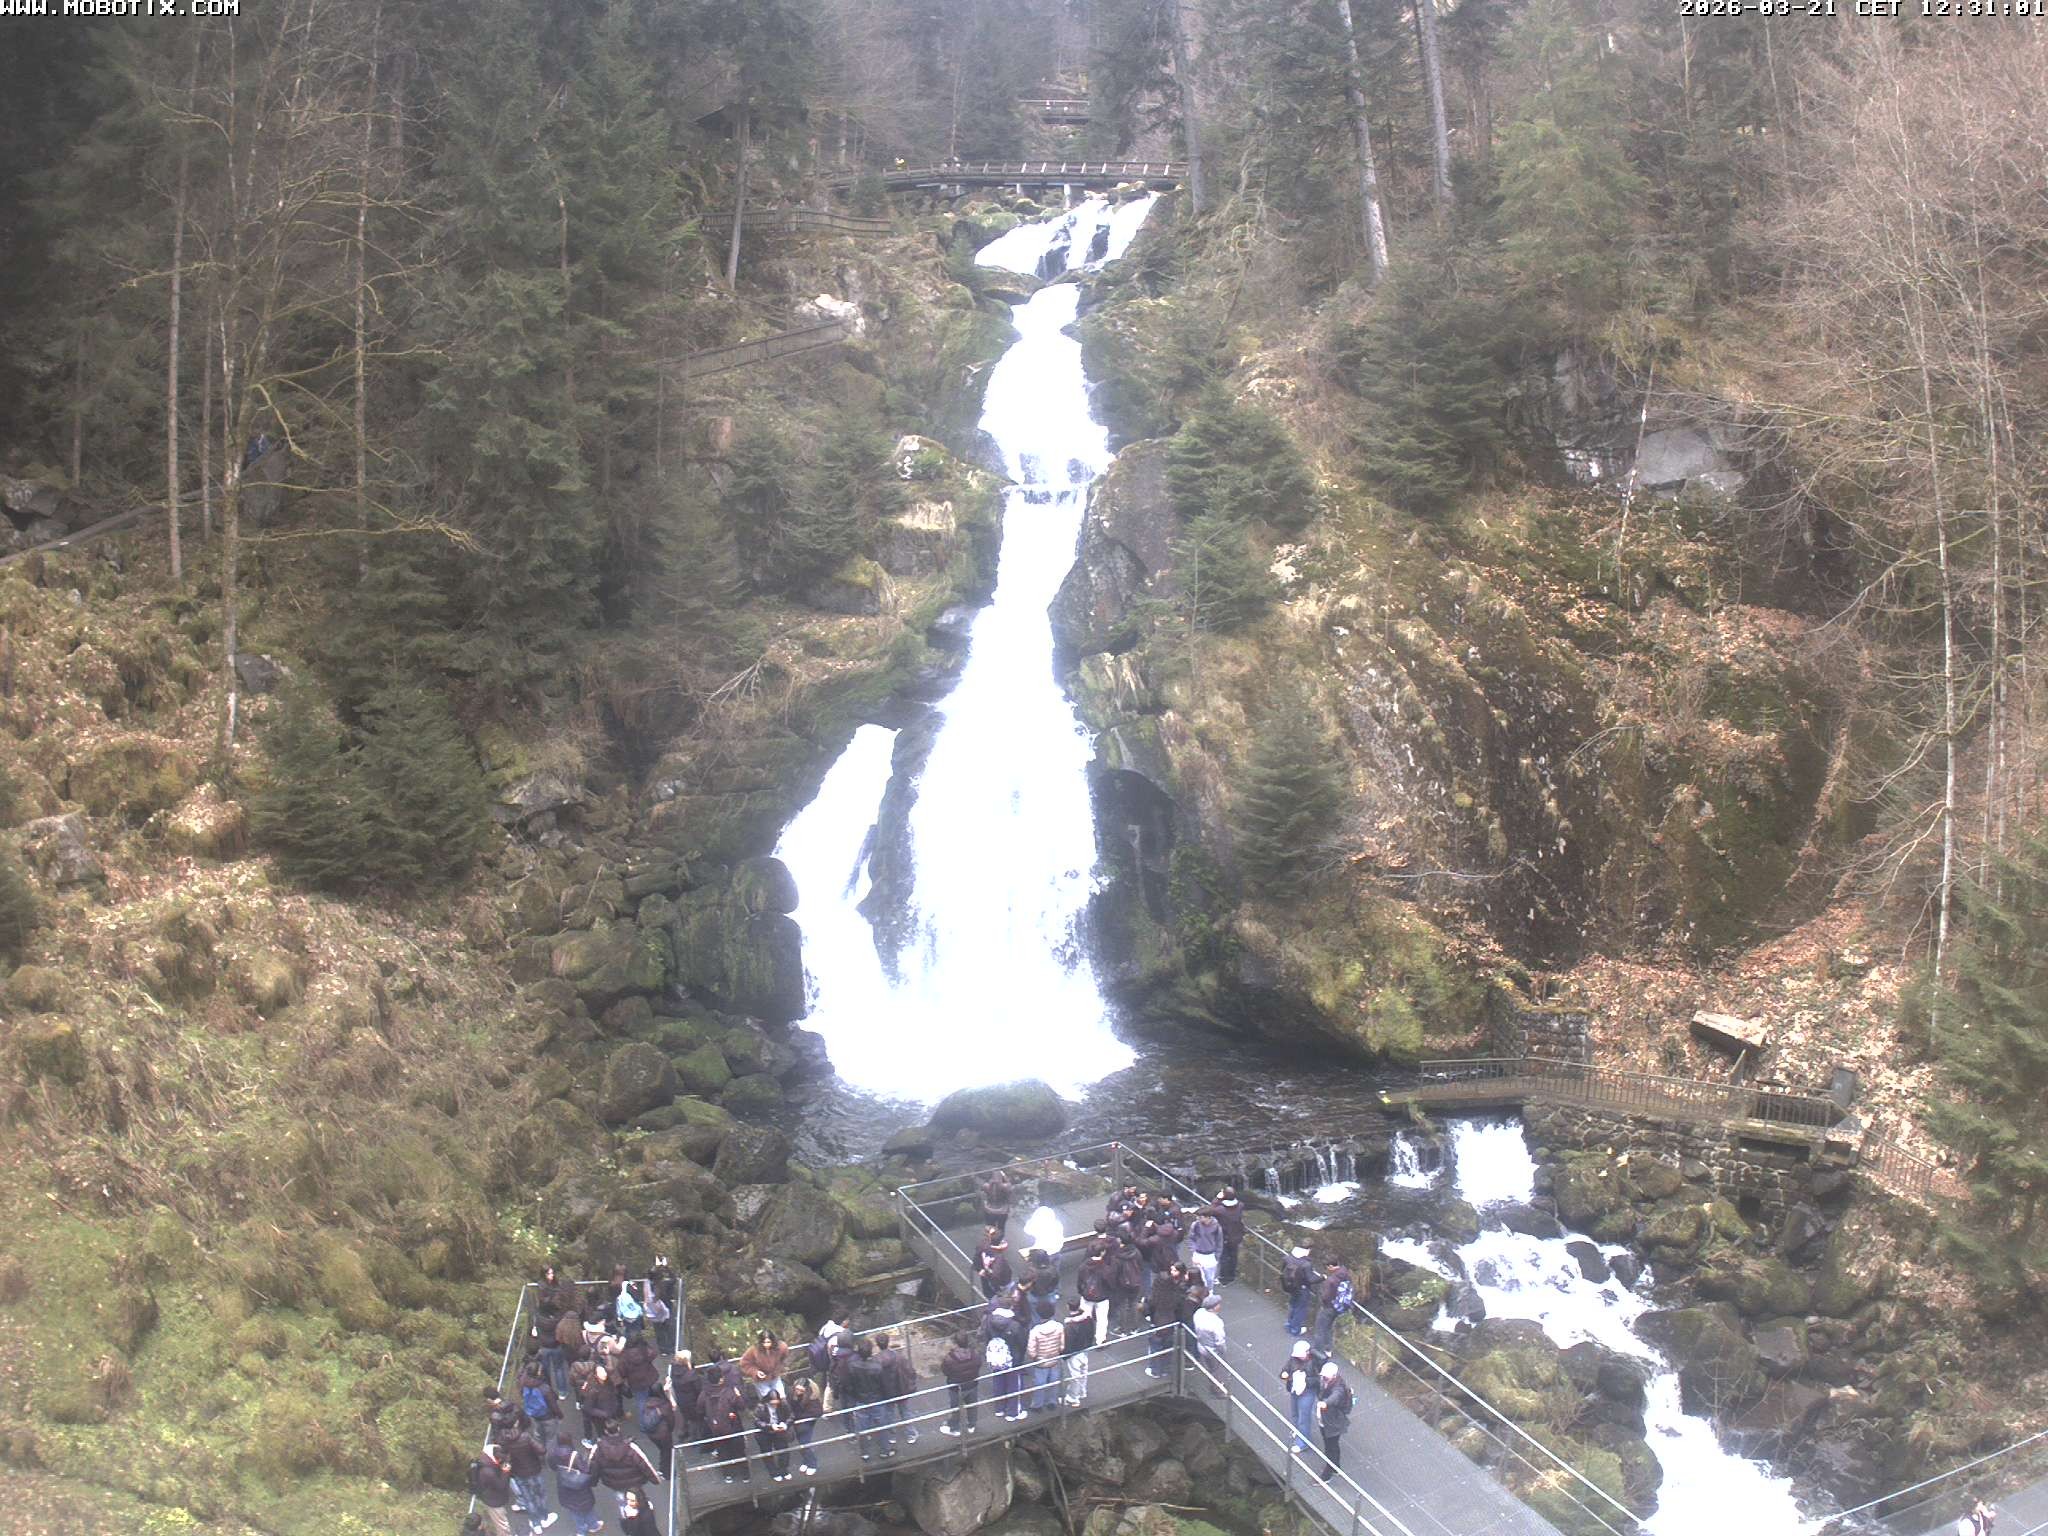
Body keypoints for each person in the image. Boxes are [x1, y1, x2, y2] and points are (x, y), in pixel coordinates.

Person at [592, 1422, 663, 1522]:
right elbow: (645, 1465)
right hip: (634, 1481)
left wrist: (593, 1482)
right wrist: (656, 1480)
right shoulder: (631, 1447)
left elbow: (593, 1467)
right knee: (638, 1496)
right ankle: (643, 1511)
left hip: (614, 1482)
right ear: (619, 1429)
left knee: (620, 1498)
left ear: (605, 1431)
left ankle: (625, 1515)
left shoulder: (598, 1449)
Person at [847, 1337, 895, 1460]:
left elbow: (850, 1385)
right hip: (877, 1400)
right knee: (881, 1426)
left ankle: (865, 1453)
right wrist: (888, 1397)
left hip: (861, 1400)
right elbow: (884, 1385)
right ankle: (885, 1450)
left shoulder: (852, 1366)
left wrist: (854, 1396)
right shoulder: (877, 1367)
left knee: (862, 1429)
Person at [550, 1431, 602, 1536]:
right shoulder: (574, 1455)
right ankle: (593, 1525)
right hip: (579, 1484)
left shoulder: (552, 1453)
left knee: (574, 1510)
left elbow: (552, 1466)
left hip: (564, 1484)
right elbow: (585, 1470)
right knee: (587, 1506)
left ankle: (581, 1530)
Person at [701, 1370, 748, 1484]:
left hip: (716, 1429)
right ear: (721, 1379)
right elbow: (741, 1406)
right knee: (739, 1451)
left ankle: (728, 1475)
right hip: (733, 1426)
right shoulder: (729, 1392)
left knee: (723, 1452)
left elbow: (699, 1407)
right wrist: (738, 1396)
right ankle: (745, 1475)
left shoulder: (704, 1393)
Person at [1315, 1360, 1353, 1484]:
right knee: (1332, 1445)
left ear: (1334, 1376)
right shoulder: (1326, 1381)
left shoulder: (1339, 1388)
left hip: (1333, 1422)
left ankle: (1327, 1474)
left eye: (1326, 1376)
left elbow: (1335, 1397)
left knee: (1330, 1447)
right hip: (1327, 1420)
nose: (1323, 1377)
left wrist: (1325, 1403)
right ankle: (1336, 1467)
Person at [877, 1331, 918, 1445]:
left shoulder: (876, 1361)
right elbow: (910, 1371)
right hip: (901, 1390)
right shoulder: (899, 1357)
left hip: (886, 1393)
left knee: (889, 1414)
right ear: (888, 1342)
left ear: (877, 1345)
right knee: (905, 1412)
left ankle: (891, 1436)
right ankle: (911, 1434)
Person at [940, 1330, 983, 1436]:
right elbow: (979, 1364)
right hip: (972, 1384)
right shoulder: (975, 1354)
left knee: (956, 1408)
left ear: (955, 1343)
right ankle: (971, 1425)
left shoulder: (949, 1358)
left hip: (956, 1387)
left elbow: (945, 1371)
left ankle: (955, 1428)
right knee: (972, 1405)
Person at [470, 1447, 517, 1536]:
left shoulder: (486, 1459)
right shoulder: (488, 1472)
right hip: (493, 1502)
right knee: (502, 1524)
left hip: (491, 1497)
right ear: (498, 1458)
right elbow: (501, 1485)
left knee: (501, 1520)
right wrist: (506, 1468)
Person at [1280, 1340, 1317, 1454]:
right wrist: (1284, 1374)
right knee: (1295, 1413)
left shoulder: (1314, 1363)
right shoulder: (1294, 1359)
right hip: (1294, 1389)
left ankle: (1303, 1443)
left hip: (1307, 1392)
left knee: (1303, 1418)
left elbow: (1318, 1380)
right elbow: (1285, 1369)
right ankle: (1298, 1431)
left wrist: (1305, 1380)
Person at [619, 1328, 662, 1426]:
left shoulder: (624, 1356)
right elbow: (654, 1354)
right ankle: (658, 1416)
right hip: (650, 1377)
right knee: (655, 1397)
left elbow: (622, 1371)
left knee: (641, 1403)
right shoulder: (644, 1350)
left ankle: (645, 1424)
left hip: (636, 1383)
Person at [1027, 1303, 1065, 1410]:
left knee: (1040, 1383)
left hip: (1041, 1362)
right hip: (1054, 1359)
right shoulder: (1059, 1326)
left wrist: (1034, 1357)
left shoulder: (1035, 1331)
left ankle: (1037, 1405)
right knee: (1054, 1380)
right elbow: (1062, 1346)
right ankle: (1052, 1401)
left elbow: (1032, 1351)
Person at [984, 1322, 1025, 1423]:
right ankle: (1013, 1412)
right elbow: (1022, 1344)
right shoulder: (1015, 1326)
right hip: (1011, 1361)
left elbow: (986, 1339)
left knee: (998, 1384)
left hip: (996, 1361)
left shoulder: (989, 1323)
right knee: (1013, 1386)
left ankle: (999, 1409)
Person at [1314, 1259, 1355, 1353]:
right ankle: (1328, 1349)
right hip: (1339, 1307)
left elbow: (1325, 1297)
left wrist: (1323, 1300)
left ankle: (1317, 1351)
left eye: (1327, 1267)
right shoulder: (1346, 1274)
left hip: (1328, 1307)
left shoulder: (1331, 1280)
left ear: (1331, 1266)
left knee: (1320, 1329)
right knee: (1328, 1327)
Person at [755, 1387, 795, 1483]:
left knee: (784, 1451)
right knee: (767, 1453)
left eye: (777, 1401)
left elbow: (791, 1416)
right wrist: (770, 1427)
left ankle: (784, 1470)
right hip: (764, 1434)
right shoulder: (761, 1407)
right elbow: (757, 1421)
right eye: (773, 1401)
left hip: (779, 1432)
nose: (775, 1403)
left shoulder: (783, 1404)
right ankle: (773, 1472)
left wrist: (785, 1424)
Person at [787, 1375, 825, 1475]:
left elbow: (818, 1412)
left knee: (804, 1443)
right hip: (797, 1421)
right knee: (802, 1442)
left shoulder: (812, 1397)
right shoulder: (791, 1393)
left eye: (801, 1390)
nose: (798, 1391)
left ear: (806, 1389)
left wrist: (799, 1416)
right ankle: (806, 1461)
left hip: (807, 1421)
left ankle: (812, 1464)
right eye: (797, 1389)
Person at [1111, 1233, 1147, 1336]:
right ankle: (1135, 1328)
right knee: (1134, 1303)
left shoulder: (1117, 1256)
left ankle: (1122, 1329)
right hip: (1136, 1282)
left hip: (1122, 1284)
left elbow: (1115, 1272)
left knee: (1122, 1305)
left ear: (1121, 1242)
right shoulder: (1136, 1252)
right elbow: (1141, 1266)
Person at [738, 1329, 789, 1401]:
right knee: (770, 1400)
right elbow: (744, 1363)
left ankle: (785, 1412)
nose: (766, 1345)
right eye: (764, 1342)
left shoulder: (781, 1347)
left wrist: (779, 1368)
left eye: (768, 1342)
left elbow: (784, 1357)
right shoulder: (754, 1350)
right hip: (761, 1381)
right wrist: (755, 1372)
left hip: (775, 1377)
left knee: (782, 1398)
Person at [518, 1360, 561, 1441]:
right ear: (538, 1373)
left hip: (533, 1412)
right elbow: (553, 1405)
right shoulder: (544, 1388)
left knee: (538, 1425)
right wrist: (560, 1416)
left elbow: (522, 1395)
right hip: (547, 1415)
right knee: (551, 1437)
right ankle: (549, 1450)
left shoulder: (522, 1383)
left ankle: (539, 1436)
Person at [1078, 1246, 1113, 1346]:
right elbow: (1110, 1282)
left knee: (1084, 1317)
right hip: (1102, 1296)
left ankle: (1083, 1339)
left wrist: (1082, 1292)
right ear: (1102, 1253)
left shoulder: (1083, 1266)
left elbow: (1080, 1282)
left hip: (1087, 1295)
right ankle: (1100, 1340)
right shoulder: (1105, 1268)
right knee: (1102, 1318)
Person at [1191, 1294, 1227, 1393]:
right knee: (1216, 1369)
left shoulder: (1199, 1313)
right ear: (1214, 1307)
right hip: (1213, 1350)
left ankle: (1213, 1382)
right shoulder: (1216, 1322)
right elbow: (1220, 1341)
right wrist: (1223, 1351)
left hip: (1201, 1346)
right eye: (1218, 1304)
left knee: (1209, 1365)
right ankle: (1217, 1389)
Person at [1062, 1299, 1094, 1406]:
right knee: (1083, 1372)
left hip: (1074, 1353)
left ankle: (1073, 1398)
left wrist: (1065, 1355)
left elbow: (1068, 1342)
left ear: (1068, 1307)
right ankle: (1082, 1391)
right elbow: (1091, 1333)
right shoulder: (1088, 1319)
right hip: (1085, 1349)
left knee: (1074, 1376)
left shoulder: (1069, 1326)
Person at [1213, 1188, 1246, 1286]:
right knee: (1233, 1256)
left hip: (1225, 1237)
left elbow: (1211, 1210)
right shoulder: (1240, 1206)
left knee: (1224, 1257)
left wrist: (1217, 1199)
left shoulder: (1220, 1210)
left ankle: (1223, 1278)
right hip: (1237, 1236)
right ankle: (1232, 1276)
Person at [1282, 1246, 1315, 1337]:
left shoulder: (1288, 1258)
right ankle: (1295, 1329)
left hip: (1292, 1286)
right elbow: (1310, 1279)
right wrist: (1322, 1278)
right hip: (1302, 1289)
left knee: (1293, 1305)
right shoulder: (1306, 1264)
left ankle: (1289, 1324)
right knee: (1300, 1309)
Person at [1188, 1208, 1223, 1291]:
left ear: (1208, 1217)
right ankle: (1200, 1296)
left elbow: (1219, 1241)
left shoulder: (1216, 1226)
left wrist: (1217, 1256)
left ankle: (1209, 1293)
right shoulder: (1195, 1225)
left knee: (1210, 1279)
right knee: (1198, 1277)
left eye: (1200, 1217)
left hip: (1210, 1255)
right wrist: (1194, 1252)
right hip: (1198, 1254)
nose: (1198, 1219)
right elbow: (1191, 1239)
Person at [976, 1230, 1014, 1300]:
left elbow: (977, 1256)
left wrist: (980, 1269)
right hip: (1002, 1283)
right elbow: (995, 1275)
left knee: (987, 1289)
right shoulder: (999, 1258)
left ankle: (991, 1295)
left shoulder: (983, 1245)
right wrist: (997, 1288)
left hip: (987, 1276)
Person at [982, 1170, 1014, 1235]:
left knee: (990, 1227)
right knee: (1001, 1227)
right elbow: (1010, 1185)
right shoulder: (1005, 1186)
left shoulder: (986, 1186)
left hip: (989, 1210)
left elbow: (983, 1187)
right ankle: (998, 1241)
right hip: (1002, 1211)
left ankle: (991, 1239)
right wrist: (1004, 1176)